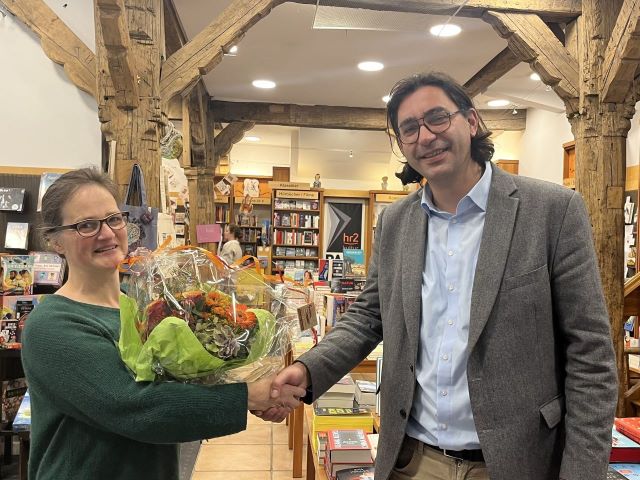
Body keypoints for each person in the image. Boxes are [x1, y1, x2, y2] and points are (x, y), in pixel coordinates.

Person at [263, 72, 617, 480]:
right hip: (412, 461)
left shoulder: (552, 211)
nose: (426, 136)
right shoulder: (395, 222)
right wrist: (309, 370)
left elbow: (591, 355)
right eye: (409, 128)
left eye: (437, 118)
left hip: (516, 463)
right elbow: (368, 316)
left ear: (471, 121)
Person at [22, 168, 304, 480]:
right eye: (86, 225)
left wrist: (250, 385)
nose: (107, 233)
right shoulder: (52, 326)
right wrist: (247, 396)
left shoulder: (143, 307)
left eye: (113, 219)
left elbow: (180, 385)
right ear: (55, 241)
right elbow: (135, 408)